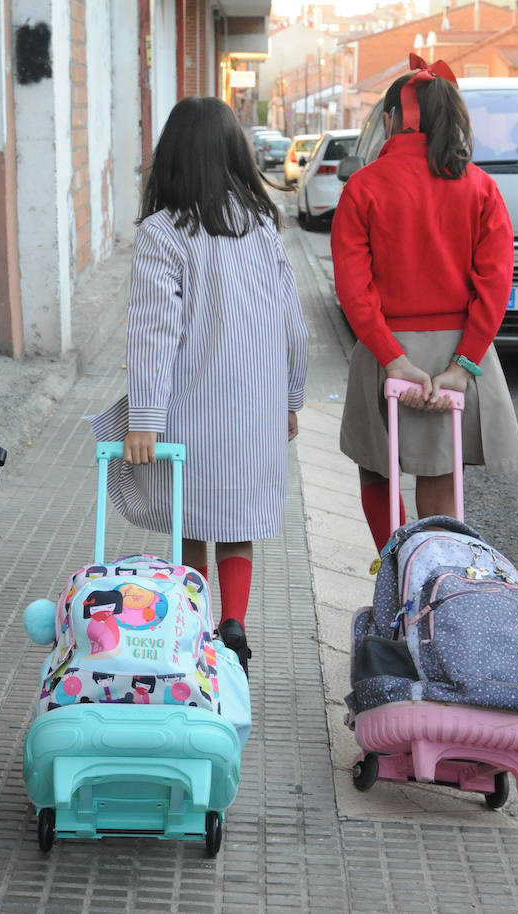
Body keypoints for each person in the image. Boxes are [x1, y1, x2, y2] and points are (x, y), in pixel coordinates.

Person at [89, 96, 310, 674]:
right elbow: (293, 321)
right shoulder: (262, 226)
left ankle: (193, 622)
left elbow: (153, 333)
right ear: (235, 156)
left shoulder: (164, 232)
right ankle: (233, 623)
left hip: (190, 406)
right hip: (255, 407)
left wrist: (144, 419)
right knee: (236, 524)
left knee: (192, 519)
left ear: (173, 158)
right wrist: (290, 398)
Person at [331, 57, 518, 552]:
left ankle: (393, 576)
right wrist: (465, 363)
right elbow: (495, 283)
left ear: (397, 119)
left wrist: (393, 358)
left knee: (378, 471)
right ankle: (437, 589)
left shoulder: (364, 186)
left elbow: (355, 288)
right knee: (443, 479)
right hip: (456, 352)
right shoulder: (481, 186)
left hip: (388, 350)